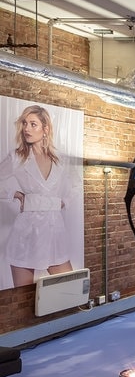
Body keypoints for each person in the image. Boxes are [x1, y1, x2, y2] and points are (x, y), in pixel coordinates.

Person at [0, 104, 79, 287]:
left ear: (46, 129)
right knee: (24, 299)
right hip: (26, 233)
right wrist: (14, 193)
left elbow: (76, 184)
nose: (27, 128)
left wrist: (64, 201)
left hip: (54, 232)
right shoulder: (16, 157)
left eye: (33, 124)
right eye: (25, 123)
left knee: (69, 290)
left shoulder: (61, 159)